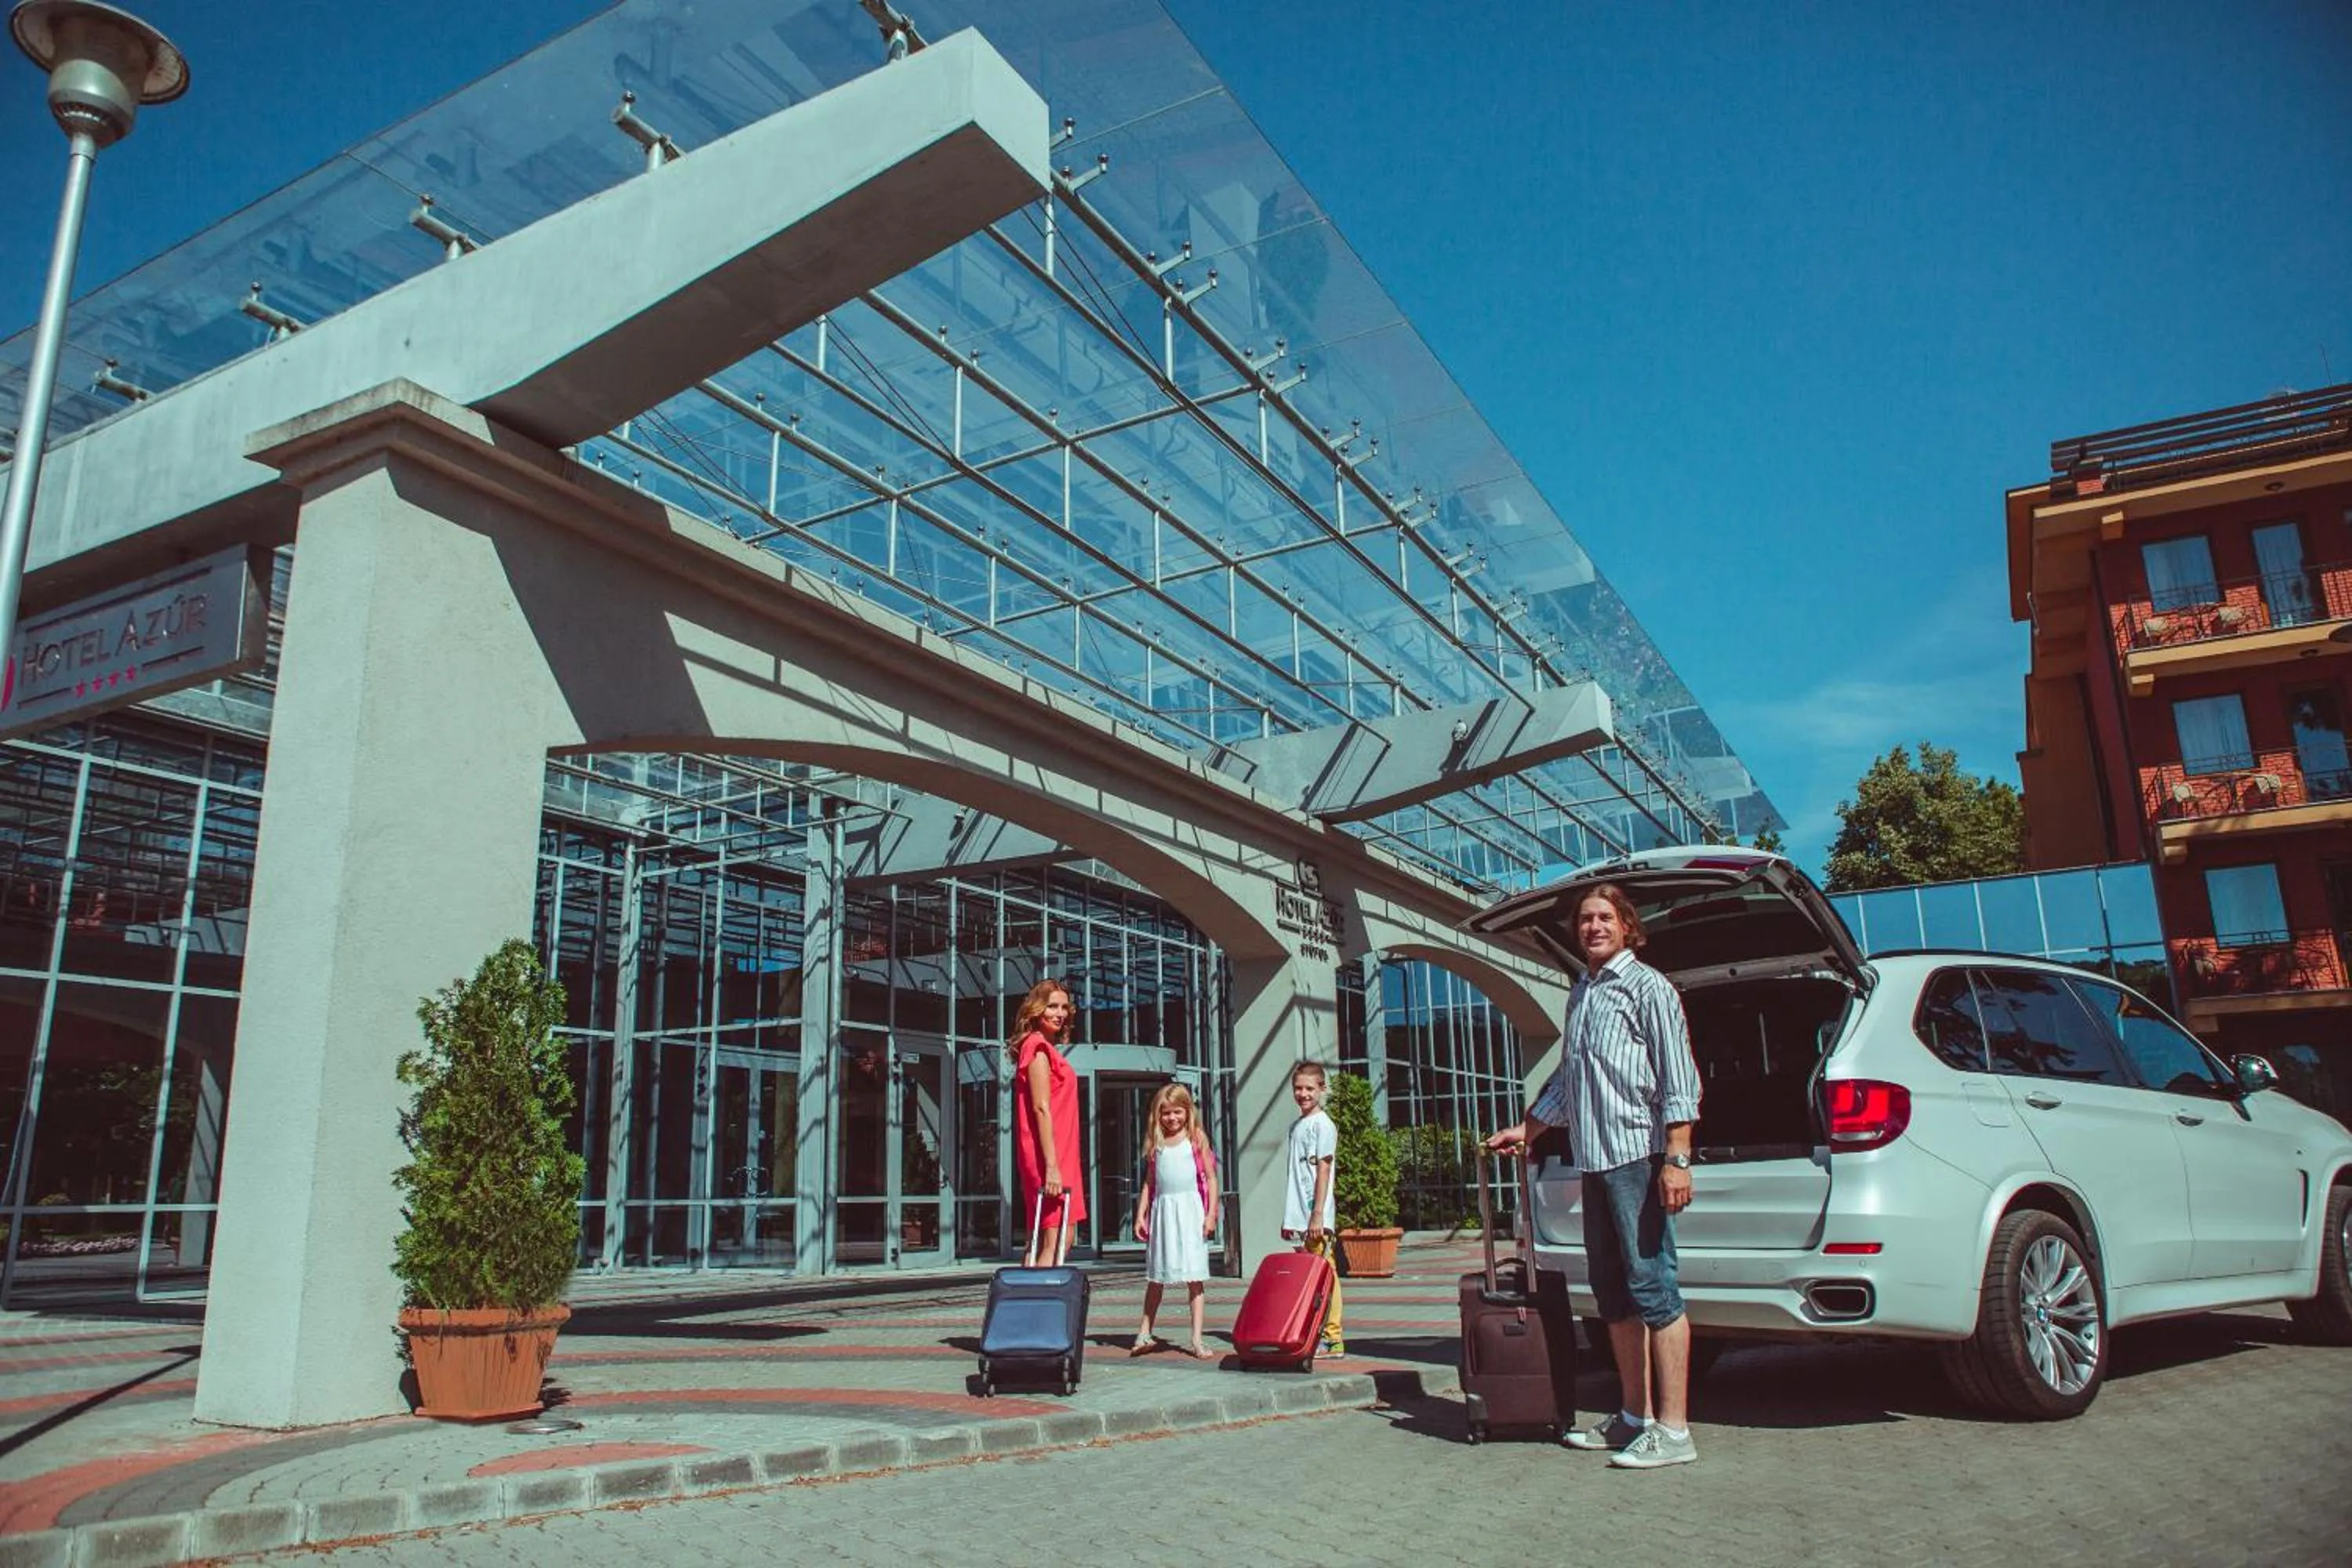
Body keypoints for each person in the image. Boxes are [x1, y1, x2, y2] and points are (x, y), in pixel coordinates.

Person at [1487, 884, 1702, 1469]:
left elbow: (1678, 1074)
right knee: (1614, 1296)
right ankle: (1634, 1419)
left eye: (1605, 917)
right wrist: (1527, 1131)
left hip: (1639, 1157)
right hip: (1595, 1159)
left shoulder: (1648, 986)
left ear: (1628, 926)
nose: (1593, 927)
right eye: (1585, 919)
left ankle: (1675, 1432)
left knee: (1655, 1289)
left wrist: (1677, 1157)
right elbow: (1569, 1078)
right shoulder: (1581, 992)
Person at [1131, 1082, 1219, 1359]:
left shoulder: (1197, 1139)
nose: (1172, 1118)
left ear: (1188, 1111)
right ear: (1158, 1115)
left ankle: (1196, 1338)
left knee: (1195, 1278)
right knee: (1156, 1277)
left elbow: (1212, 1179)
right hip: (1163, 1214)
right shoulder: (1156, 1144)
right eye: (1166, 1113)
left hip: (1191, 1212)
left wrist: (1211, 1214)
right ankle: (1144, 1332)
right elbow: (1149, 1182)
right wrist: (1140, 1214)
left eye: (1177, 1112)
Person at [1008, 978, 1086, 1263]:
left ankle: (1027, 1303)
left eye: (1064, 1007)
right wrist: (1052, 1167)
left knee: (1046, 1239)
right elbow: (1041, 1108)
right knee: (1055, 1240)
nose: (1060, 1013)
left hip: (1059, 1153)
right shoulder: (1037, 1048)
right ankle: (1035, 1305)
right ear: (1037, 1009)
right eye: (1052, 1006)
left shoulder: (1043, 1048)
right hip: (1051, 1157)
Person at [1281, 1061, 1345, 1359]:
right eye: (1298, 1088)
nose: (1303, 1094)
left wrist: (1318, 1214)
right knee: (1311, 1277)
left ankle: (1333, 1338)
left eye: (1309, 1088)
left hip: (1315, 1218)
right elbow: (1295, 1176)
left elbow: (1323, 1171)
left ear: (1322, 1089)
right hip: (1301, 1219)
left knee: (1325, 1274)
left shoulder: (1323, 1125)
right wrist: (1290, 1219)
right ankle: (1314, 1332)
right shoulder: (1297, 1125)